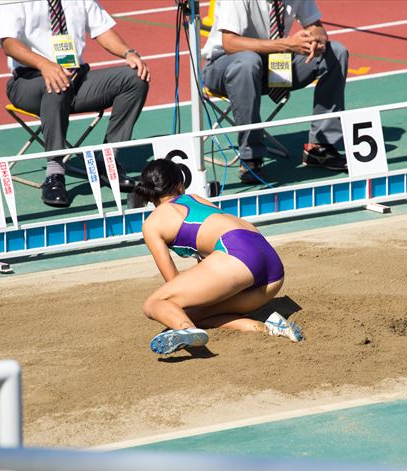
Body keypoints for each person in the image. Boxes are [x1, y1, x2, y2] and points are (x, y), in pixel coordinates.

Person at [135, 158, 303, 354]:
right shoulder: (196, 199)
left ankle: (186, 329)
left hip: (235, 253)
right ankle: (268, 326)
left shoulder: (152, 223)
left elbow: (172, 284)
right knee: (197, 314)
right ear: (180, 185)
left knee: (157, 304)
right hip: (272, 270)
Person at [0, 0, 150, 207]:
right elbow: (9, 43)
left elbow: (102, 29)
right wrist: (45, 65)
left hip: (76, 79)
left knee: (134, 79)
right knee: (58, 83)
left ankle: (108, 160)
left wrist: (129, 53)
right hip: (29, 81)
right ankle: (55, 173)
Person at [201, 0, 349, 184]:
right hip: (226, 65)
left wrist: (318, 40)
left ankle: (321, 147)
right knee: (248, 62)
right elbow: (230, 43)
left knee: (337, 52)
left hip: (276, 64)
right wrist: (286, 44)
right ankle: (250, 157)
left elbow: (315, 25)